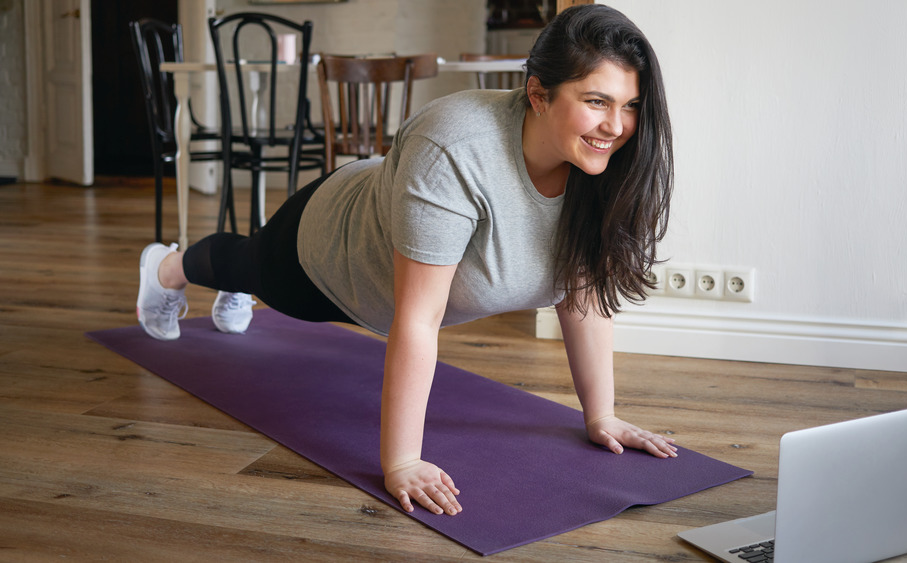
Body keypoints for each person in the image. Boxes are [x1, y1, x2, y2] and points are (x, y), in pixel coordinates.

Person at [136, 4, 676, 517]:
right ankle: (168, 268)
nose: (617, 126)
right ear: (537, 93)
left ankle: (220, 279)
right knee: (244, 262)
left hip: (397, 201)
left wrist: (600, 415)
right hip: (330, 249)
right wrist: (401, 461)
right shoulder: (458, 149)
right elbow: (418, 319)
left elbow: (581, 295)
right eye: (597, 102)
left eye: (630, 105)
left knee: (243, 267)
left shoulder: (602, 165)